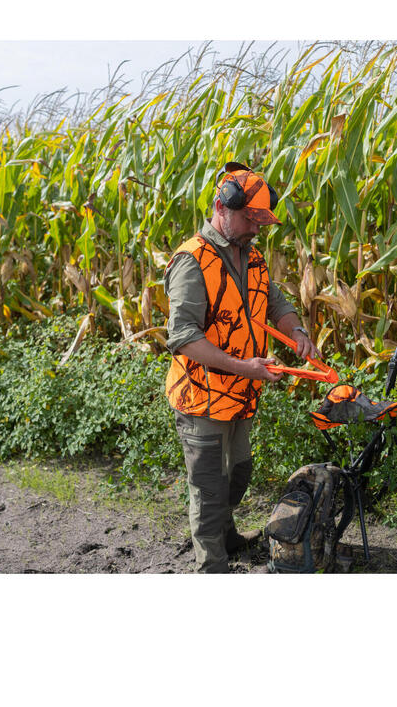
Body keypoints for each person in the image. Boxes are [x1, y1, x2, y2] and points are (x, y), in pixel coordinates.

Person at [163, 161, 319, 573]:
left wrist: (297, 331)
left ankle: (227, 537)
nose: (255, 229)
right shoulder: (192, 262)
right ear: (221, 206)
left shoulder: (252, 256)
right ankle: (211, 565)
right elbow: (182, 337)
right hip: (202, 400)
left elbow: (274, 302)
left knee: (239, 474)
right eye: (249, 219)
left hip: (240, 397)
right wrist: (244, 367)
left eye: (259, 221)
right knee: (210, 490)